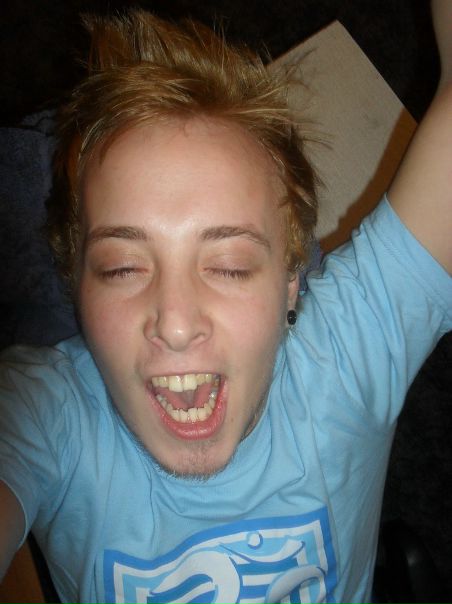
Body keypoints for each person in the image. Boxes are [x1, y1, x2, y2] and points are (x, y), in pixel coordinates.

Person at [0, 2, 451, 602]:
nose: (176, 323)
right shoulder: (39, 413)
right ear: (77, 283)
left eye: (230, 265)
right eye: (122, 267)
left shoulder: (344, 361)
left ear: (291, 278)